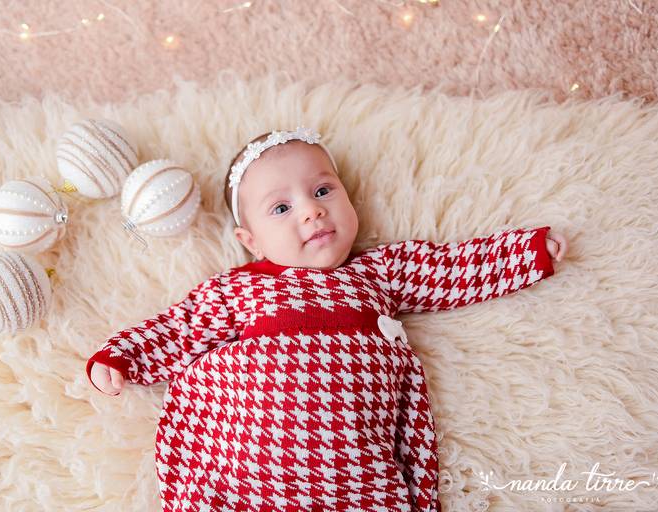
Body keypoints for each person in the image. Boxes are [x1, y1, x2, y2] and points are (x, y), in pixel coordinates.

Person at [87, 126, 568, 512]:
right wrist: (124, 357)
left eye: (322, 190)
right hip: (254, 471)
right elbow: (182, 327)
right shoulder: (240, 288)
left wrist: (525, 254)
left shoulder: (377, 272)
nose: (312, 211)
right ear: (251, 241)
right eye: (281, 207)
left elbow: (448, 269)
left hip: (359, 474)